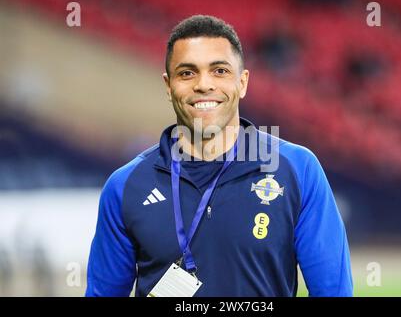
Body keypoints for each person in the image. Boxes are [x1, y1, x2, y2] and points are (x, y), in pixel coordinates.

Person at [86, 15, 353, 297]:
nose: (204, 84)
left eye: (220, 71)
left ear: (243, 82)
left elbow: (333, 291)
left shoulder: (298, 170)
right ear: (168, 86)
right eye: (187, 73)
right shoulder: (126, 185)